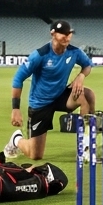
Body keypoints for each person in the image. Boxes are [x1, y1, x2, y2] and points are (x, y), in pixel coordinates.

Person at [6, 20, 95, 161]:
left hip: (60, 96)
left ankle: (86, 146)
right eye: (63, 34)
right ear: (53, 34)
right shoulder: (40, 55)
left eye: (69, 34)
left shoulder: (74, 52)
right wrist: (15, 109)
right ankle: (16, 139)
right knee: (35, 155)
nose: (67, 37)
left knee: (88, 95)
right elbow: (18, 79)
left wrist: (81, 76)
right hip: (41, 103)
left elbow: (88, 65)